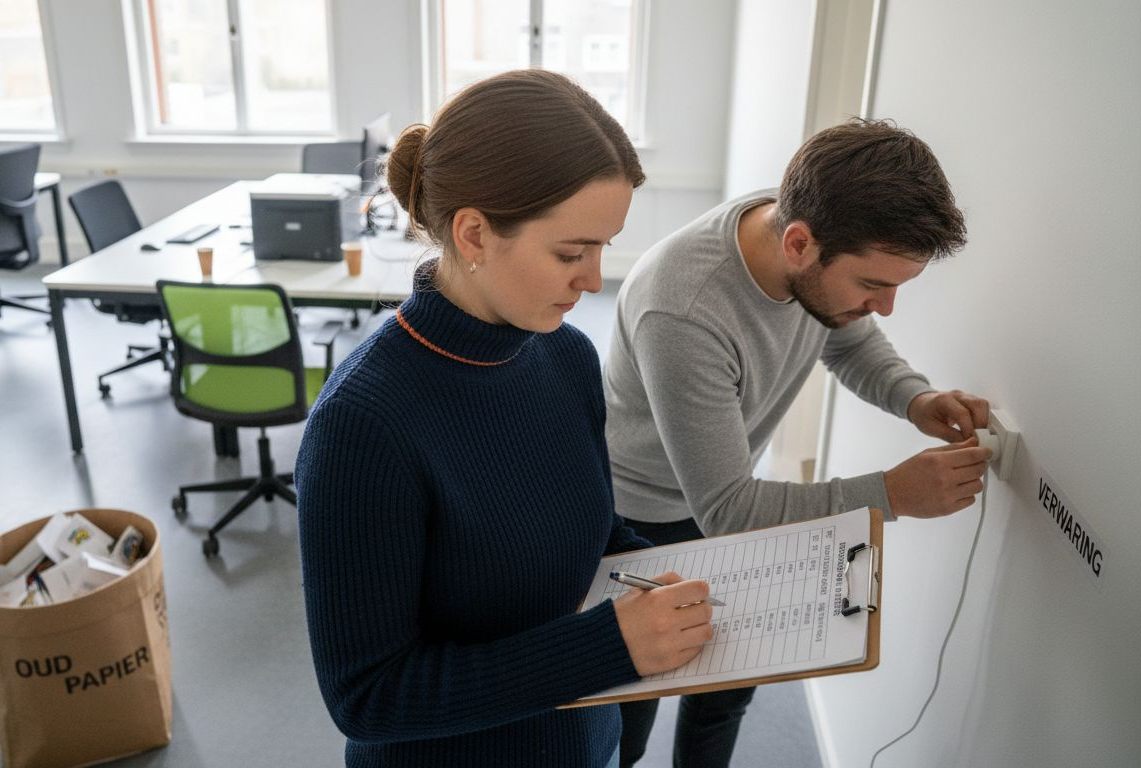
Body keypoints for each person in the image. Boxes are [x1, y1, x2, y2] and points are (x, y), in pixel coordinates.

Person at [295, 70, 715, 768]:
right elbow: (368, 697)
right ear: (474, 234)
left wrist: (675, 571)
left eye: (604, 247)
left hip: (587, 739)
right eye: (571, 252)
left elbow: (586, 525)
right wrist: (609, 646)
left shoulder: (566, 356)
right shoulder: (364, 424)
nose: (592, 279)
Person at [604, 118, 994, 768]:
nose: (887, 306)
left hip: (722, 490)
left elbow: (846, 334)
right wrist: (891, 494)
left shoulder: (809, 234)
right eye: (874, 284)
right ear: (798, 244)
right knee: (632, 703)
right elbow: (728, 509)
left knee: (727, 688)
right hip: (637, 514)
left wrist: (915, 397)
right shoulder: (683, 312)